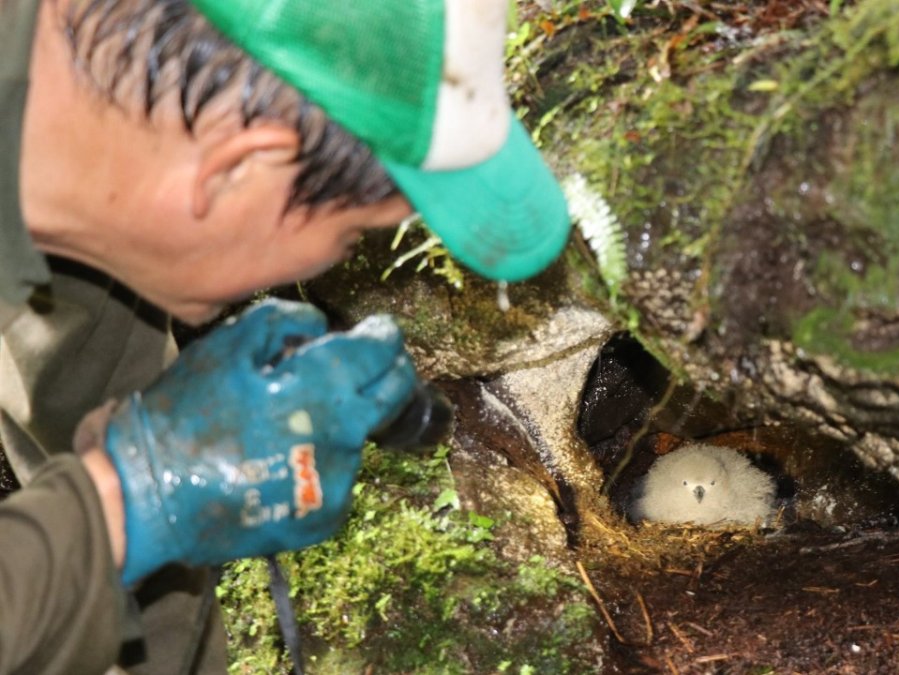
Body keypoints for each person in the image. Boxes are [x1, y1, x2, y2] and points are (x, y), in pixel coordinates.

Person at [0, 0, 570, 672]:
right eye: (351, 234)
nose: (335, 261)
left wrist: (155, 498)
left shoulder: (102, 222)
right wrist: (128, 500)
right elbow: (127, 513)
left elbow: (149, 590)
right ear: (237, 168)